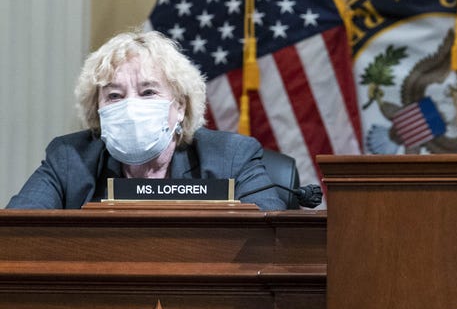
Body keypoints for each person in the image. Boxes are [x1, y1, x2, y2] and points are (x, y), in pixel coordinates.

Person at [7, 30, 286, 210]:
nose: (131, 107)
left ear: (180, 106)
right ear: (97, 111)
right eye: (114, 96)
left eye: (148, 92)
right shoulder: (69, 159)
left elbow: (271, 240)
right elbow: (17, 233)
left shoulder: (231, 157)